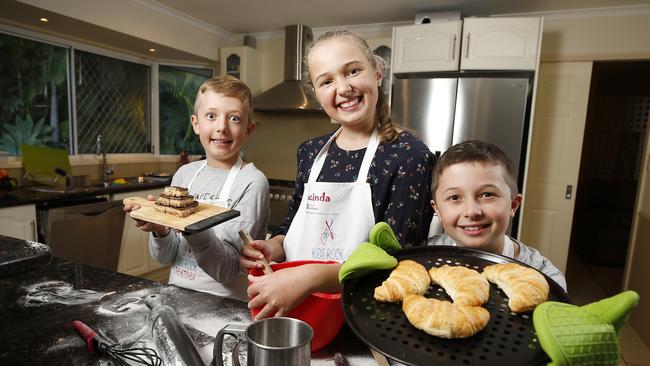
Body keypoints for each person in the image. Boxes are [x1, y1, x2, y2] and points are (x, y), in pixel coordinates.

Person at [240, 30, 435, 319]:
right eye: (326, 81)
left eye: (353, 71)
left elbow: (398, 261)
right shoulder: (310, 152)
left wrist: (308, 277)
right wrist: (274, 246)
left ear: (377, 73)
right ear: (317, 95)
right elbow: (292, 223)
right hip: (303, 311)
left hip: (368, 318)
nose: (342, 88)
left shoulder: (409, 155)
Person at [124, 76, 270, 301]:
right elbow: (165, 257)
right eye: (211, 116)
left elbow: (226, 269)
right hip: (178, 298)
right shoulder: (185, 174)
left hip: (225, 308)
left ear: (249, 129)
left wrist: (192, 226)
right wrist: (160, 229)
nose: (221, 127)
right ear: (196, 123)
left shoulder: (252, 182)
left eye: (234, 118)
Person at [428, 140, 567, 290]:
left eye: (487, 194)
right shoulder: (423, 255)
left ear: (513, 204)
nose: (472, 212)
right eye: (455, 197)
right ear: (437, 210)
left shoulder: (546, 279)